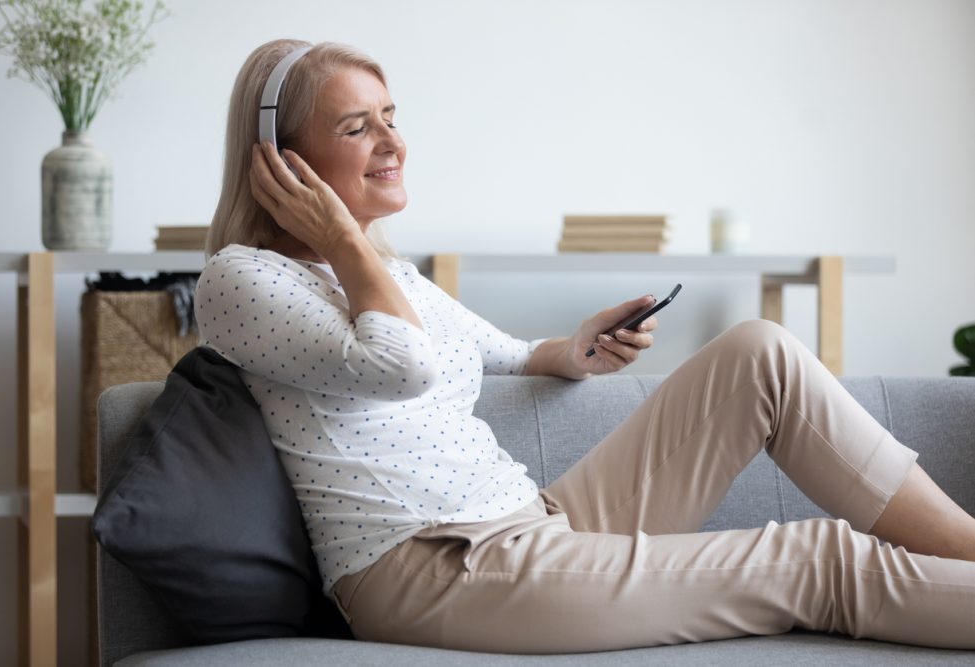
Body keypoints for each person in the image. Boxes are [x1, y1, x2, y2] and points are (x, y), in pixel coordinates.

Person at [195, 39, 975, 653]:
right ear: (279, 161)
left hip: (531, 524)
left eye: (391, 116)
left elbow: (491, 349)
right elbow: (404, 364)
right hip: (438, 571)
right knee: (819, 562)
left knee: (758, 353)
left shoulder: (385, 270)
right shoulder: (240, 280)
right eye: (355, 126)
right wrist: (339, 234)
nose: (391, 142)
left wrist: (569, 351)